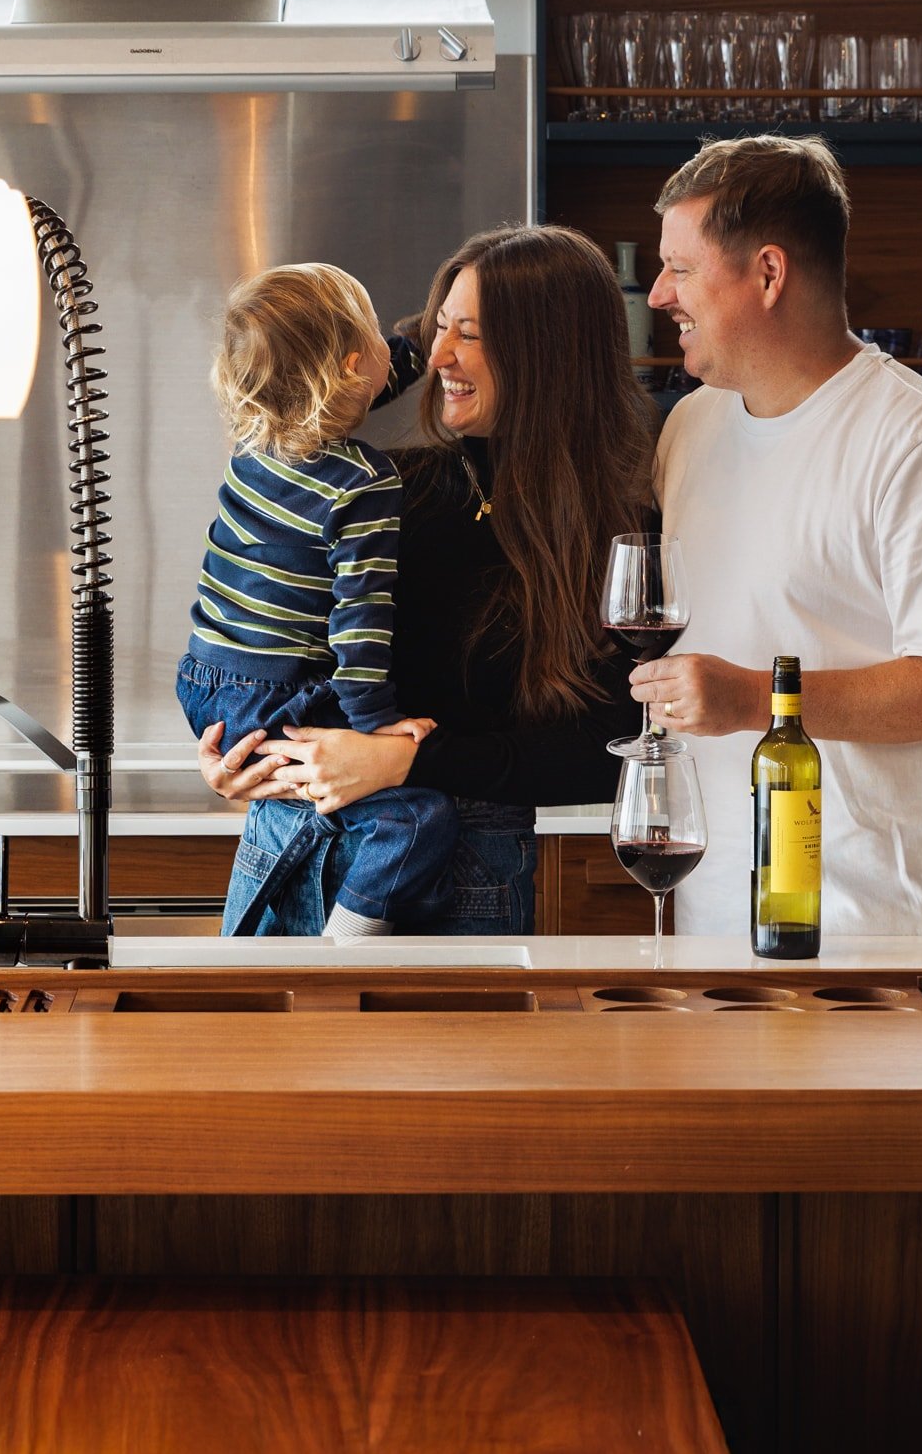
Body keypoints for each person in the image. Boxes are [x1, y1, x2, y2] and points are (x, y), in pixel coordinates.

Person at [198, 225, 649, 935]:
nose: (438, 357)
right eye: (440, 327)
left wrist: (405, 760)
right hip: (289, 843)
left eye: (469, 333)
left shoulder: (616, 529)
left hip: (462, 875)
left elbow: (610, 751)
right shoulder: (385, 491)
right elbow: (260, 633)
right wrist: (246, 752)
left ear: (547, 351)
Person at [636, 135, 922, 937]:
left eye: (681, 268)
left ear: (769, 274)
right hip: (717, 920)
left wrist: (754, 700)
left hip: (885, 927)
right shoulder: (690, 428)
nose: (659, 295)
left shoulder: (920, 441)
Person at [176, 262, 453, 938]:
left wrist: (424, 336)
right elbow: (360, 627)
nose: (395, 350)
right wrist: (376, 726)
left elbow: (375, 369)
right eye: (378, 336)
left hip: (205, 686)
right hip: (278, 695)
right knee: (415, 818)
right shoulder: (363, 484)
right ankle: (346, 944)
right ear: (353, 366)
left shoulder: (255, 444)